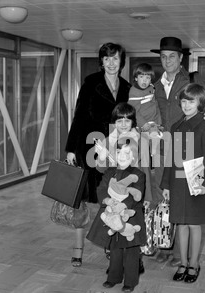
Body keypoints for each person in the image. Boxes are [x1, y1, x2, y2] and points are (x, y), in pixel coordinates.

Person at [150, 36, 205, 266]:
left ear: (181, 58)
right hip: (163, 149)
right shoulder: (154, 84)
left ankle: (180, 255)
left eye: (172, 56)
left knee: (188, 204)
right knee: (162, 199)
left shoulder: (193, 79)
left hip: (191, 150)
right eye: (163, 56)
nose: (167, 60)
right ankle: (165, 246)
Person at [65, 42, 131, 267]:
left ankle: (110, 244)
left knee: (112, 199)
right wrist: (71, 148)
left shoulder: (127, 87)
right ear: (101, 61)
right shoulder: (91, 82)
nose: (112, 63)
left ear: (121, 62)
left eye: (116, 58)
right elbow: (79, 115)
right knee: (81, 201)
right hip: (89, 148)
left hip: (115, 152)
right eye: (107, 58)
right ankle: (78, 249)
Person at [161, 83, 205, 283]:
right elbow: (171, 158)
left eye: (191, 101)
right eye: (183, 101)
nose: (186, 105)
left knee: (194, 224)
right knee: (181, 224)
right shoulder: (176, 126)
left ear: (200, 103)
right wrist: (166, 185)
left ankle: (194, 263)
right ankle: (183, 263)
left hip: (197, 182)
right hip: (177, 183)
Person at [95, 102, 152, 274]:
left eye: (128, 120)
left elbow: (146, 170)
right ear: (114, 122)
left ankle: (136, 261)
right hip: (113, 193)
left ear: (133, 121)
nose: (124, 124)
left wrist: (147, 196)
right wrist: (102, 157)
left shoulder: (141, 140)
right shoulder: (107, 140)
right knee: (112, 226)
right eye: (120, 120)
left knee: (133, 227)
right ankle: (115, 262)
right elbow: (101, 169)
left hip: (134, 193)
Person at [87, 137, 146, 293]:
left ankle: (131, 281)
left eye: (127, 153)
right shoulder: (110, 172)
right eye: (119, 153)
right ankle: (114, 277)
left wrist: (122, 205)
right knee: (114, 248)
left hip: (130, 216)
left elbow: (136, 195)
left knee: (132, 249)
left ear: (134, 156)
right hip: (112, 214)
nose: (122, 156)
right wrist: (106, 199)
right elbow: (101, 188)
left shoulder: (139, 174)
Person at [128, 63, 163, 154]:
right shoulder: (134, 92)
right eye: (141, 77)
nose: (144, 81)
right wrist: (143, 124)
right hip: (141, 124)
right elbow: (133, 112)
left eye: (148, 78)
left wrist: (158, 121)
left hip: (152, 121)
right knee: (141, 146)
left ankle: (153, 154)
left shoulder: (151, 88)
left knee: (155, 140)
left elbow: (155, 105)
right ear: (136, 78)